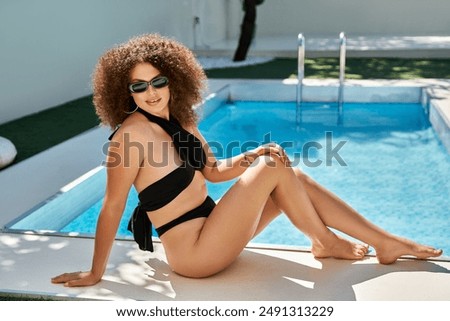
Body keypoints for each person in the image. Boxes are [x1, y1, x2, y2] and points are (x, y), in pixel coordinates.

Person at [52, 34, 442, 287]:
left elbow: (213, 172)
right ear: (126, 92)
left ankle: (381, 242)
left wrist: (251, 155)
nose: (151, 93)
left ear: (173, 79)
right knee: (274, 168)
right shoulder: (128, 137)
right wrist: (95, 272)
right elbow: (111, 207)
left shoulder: (182, 120)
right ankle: (326, 240)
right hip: (196, 255)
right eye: (139, 86)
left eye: (158, 81)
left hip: (217, 228)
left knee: (283, 167)